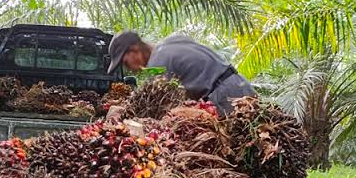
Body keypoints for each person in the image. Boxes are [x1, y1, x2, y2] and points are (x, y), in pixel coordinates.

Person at [107, 31, 255, 114]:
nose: (129, 69)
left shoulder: (158, 64)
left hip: (226, 97)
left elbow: (161, 110)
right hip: (240, 84)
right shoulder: (171, 42)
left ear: (135, 50)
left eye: (125, 63)